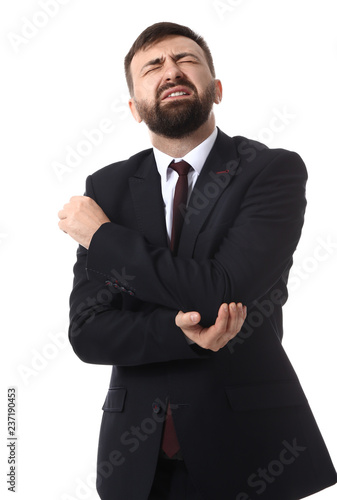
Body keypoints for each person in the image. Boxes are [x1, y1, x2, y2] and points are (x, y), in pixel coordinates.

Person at [58, 22, 336, 500]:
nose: (170, 70)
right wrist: (180, 333)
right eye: (152, 66)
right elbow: (88, 331)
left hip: (251, 457)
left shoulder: (271, 170)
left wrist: (103, 237)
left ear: (217, 89)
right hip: (136, 465)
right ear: (133, 108)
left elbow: (220, 290)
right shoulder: (107, 188)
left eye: (186, 60)